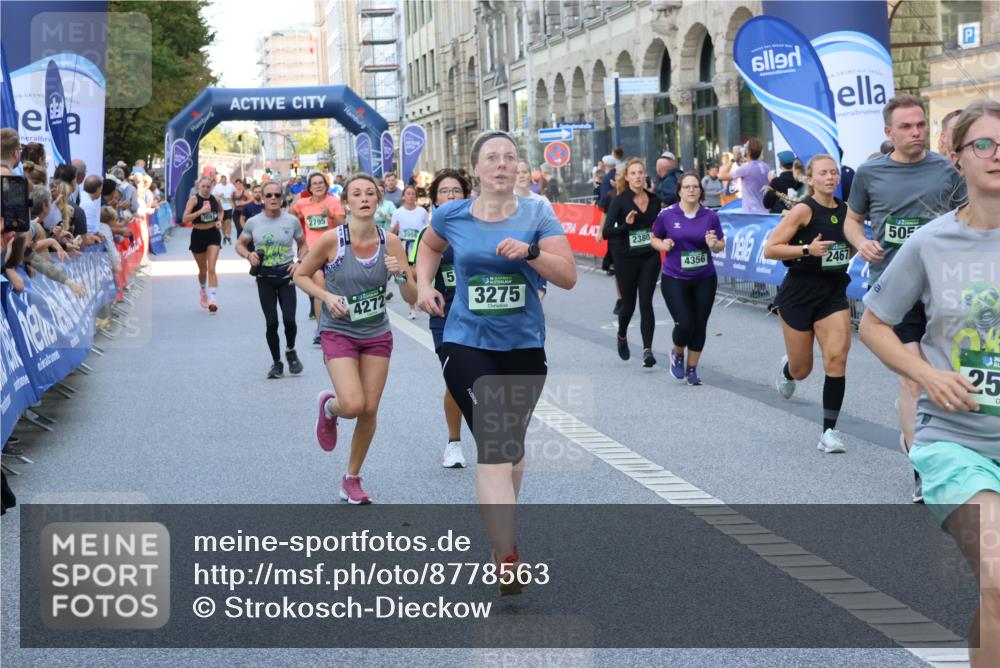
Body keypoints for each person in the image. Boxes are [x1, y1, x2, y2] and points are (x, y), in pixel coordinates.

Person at [858, 99, 1000, 668]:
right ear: (956, 157)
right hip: (957, 441)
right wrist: (926, 374)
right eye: (984, 145)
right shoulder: (930, 243)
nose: (997, 155)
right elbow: (874, 324)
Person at [415, 131, 576, 593]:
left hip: (524, 344)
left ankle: (501, 541)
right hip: (465, 340)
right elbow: (428, 247)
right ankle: (507, 553)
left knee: (511, 446)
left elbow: (566, 277)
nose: (502, 164)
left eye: (509, 157)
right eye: (492, 158)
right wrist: (425, 286)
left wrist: (530, 252)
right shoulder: (452, 214)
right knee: (495, 440)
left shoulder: (537, 213)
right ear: (477, 170)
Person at [845, 94, 967, 502]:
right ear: (889, 132)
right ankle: (922, 470)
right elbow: (852, 220)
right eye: (906, 127)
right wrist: (861, 243)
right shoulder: (869, 173)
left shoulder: (948, 169)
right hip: (894, 287)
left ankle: (937, 441)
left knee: (946, 375)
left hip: (943, 286)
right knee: (913, 379)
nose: (915, 133)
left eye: (920, 125)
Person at [294, 173, 417, 505]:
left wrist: (401, 274)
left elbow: (411, 296)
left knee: (370, 408)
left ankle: (351, 477)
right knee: (353, 403)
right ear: (346, 202)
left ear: (378, 201)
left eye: (370, 194)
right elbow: (300, 275)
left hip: (376, 332)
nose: (364, 199)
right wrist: (326, 296)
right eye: (356, 194)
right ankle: (331, 407)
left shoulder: (390, 243)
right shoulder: (333, 240)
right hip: (339, 330)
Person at [764, 154, 853, 453]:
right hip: (799, 294)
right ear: (810, 179)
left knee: (837, 359)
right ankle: (788, 370)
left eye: (834, 172)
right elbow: (771, 249)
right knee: (803, 369)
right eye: (823, 173)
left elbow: (851, 246)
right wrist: (807, 249)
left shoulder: (848, 211)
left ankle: (829, 432)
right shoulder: (803, 210)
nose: (830, 177)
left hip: (833, 293)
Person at [414, 169, 471, 468]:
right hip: (446, 317)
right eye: (444, 191)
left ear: (466, 195)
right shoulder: (429, 236)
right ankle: (454, 443)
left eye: (456, 191)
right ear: (435, 199)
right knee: (456, 379)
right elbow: (417, 278)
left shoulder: (479, 229)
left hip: (479, 316)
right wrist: (421, 287)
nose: (451, 196)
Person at [651, 173, 725, 386]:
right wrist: (662, 246)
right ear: (679, 191)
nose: (692, 190)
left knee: (700, 324)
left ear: (700, 191)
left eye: (695, 187)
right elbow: (653, 237)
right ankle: (677, 353)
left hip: (704, 277)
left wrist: (714, 245)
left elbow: (721, 244)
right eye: (687, 187)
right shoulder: (668, 215)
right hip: (675, 277)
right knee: (685, 323)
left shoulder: (710, 216)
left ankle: (692, 369)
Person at [237, 181, 307, 378]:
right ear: (263, 198)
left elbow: (303, 244)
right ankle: (277, 363)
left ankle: (290, 350)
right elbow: (240, 244)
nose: (273, 198)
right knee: (271, 323)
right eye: (269, 195)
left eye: (277, 195)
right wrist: (249, 255)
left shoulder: (291, 221)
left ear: (282, 198)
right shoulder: (253, 222)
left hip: (286, 276)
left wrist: (299, 261)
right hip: (264, 277)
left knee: (289, 320)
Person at [603, 157, 661, 367]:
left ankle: (647, 350)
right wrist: (626, 226)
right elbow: (606, 232)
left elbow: (660, 227)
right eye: (633, 173)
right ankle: (621, 335)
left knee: (646, 302)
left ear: (645, 175)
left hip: (649, 257)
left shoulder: (654, 200)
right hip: (625, 258)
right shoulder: (619, 201)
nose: (638, 176)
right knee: (628, 305)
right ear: (627, 178)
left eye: (640, 172)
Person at [294, 171, 347, 341]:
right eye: (314, 183)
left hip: (333, 252)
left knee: (337, 288)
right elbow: (290, 214)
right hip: (312, 252)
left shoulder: (334, 202)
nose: (318, 186)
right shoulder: (302, 203)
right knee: (319, 284)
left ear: (326, 186)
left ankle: (341, 325)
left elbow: (342, 225)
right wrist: (299, 229)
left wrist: (329, 214)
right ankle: (320, 328)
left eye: (321, 183)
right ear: (309, 187)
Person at [181, 176, 224, 312]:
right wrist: (200, 212)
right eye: (203, 186)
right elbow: (185, 219)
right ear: (199, 186)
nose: (206, 189)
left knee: (211, 268)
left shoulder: (215, 199)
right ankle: (203, 290)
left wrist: (219, 221)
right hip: (198, 235)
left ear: (212, 186)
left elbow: (221, 211)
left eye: (208, 186)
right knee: (203, 270)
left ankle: (213, 300)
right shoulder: (194, 200)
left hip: (213, 234)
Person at [391, 184, 428, 319]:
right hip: (404, 248)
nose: (411, 196)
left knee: (419, 275)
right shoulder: (397, 212)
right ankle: (411, 307)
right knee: (408, 276)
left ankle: (420, 298)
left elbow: (426, 230)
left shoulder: (422, 212)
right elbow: (393, 232)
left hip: (418, 247)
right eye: (408, 194)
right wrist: (395, 229)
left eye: (413, 194)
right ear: (403, 197)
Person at [720, 137, 770, 213]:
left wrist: (734, 158)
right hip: (765, 210)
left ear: (748, 151)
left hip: (751, 212)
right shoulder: (766, 166)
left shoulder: (746, 167)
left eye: (745, 147)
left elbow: (722, 176)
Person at [211, 174, 237, 245]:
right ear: (221, 180)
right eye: (222, 180)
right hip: (220, 207)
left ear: (226, 179)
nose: (224, 181)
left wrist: (233, 200)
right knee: (222, 223)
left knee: (228, 221)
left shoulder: (231, 186)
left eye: (225, 179)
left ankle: (228, 235)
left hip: (229, 206)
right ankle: (225, 236)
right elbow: (213, 196)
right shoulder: (217, 187)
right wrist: (219, 195)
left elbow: (236, 193)